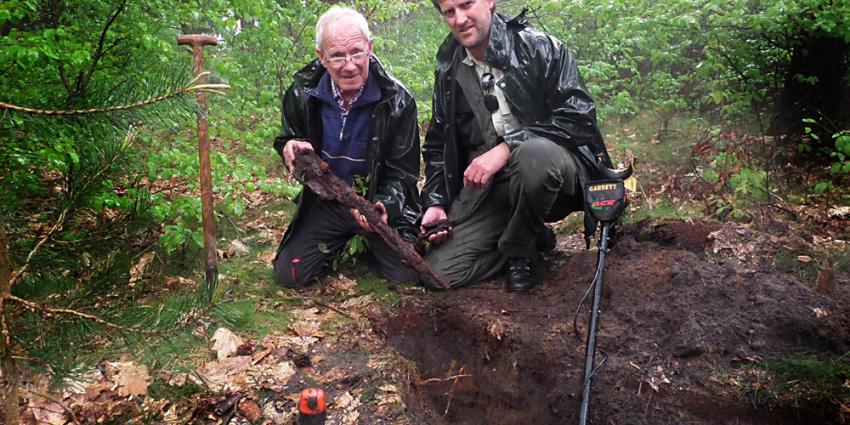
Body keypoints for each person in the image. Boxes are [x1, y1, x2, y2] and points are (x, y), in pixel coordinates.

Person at [420, 0, 614, 292]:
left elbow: (579, 117)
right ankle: (532, 235)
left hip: (556, 174)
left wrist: (507, 147)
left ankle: (519, 251)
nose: (460, 19)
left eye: (467, 5)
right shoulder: (449, 63)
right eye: (450, 12)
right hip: (494, 187)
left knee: (532, 155)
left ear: (489, 1)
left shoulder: (539, 47)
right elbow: (437, 141)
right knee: (438, 273)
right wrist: (435, 201)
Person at [272, 6, 421, 288]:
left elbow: (404, 173)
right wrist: (289, 147)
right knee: (289, 275)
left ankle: (366, 242)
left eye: (356, 52)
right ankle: (339, 239)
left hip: (375, 199)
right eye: (337, 55)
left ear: (370, 48)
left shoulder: (398, 101)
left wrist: (384, 205)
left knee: (407, 276)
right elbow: (288, 138)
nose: (349, 65)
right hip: (327, 201)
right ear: (321, 57)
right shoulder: (301, 93)